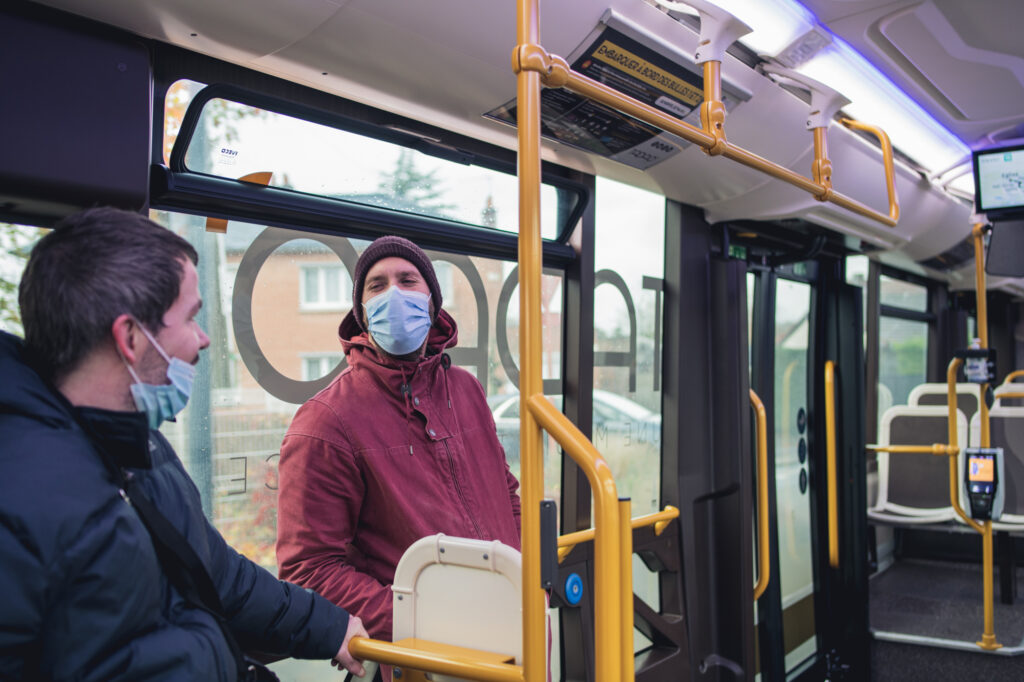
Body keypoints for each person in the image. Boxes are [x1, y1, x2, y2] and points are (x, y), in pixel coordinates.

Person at [0, 207, 368, 681]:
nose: (204, 339)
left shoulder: (136, 444)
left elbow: (215, 572)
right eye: (191, 317)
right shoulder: (21, 505)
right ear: (130, 337)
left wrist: (330, 626)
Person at [276, 236, 522, 642]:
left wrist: (528, 579)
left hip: (516, 631)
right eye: (377, 285)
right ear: (362, 312)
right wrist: (420, 621)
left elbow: (506, 494)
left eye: (408, 280)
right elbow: (309, 567)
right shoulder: (327, 421)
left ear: (431, 301)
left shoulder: (465, 390)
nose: (393, 293)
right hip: (427, 658)